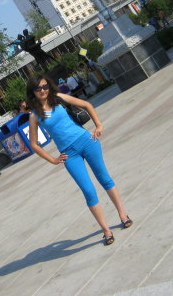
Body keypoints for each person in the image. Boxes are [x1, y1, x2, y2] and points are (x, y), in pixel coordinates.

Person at [26, 74, 132, 246]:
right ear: (33, 92)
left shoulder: (58, 97)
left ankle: (122, 214)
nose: (43, 90)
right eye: (38, 88)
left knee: (104, 178)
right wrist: (53, 160)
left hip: (87, 141)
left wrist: (98, 125)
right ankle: (106, 230)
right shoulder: (34, 115)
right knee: (88, 190)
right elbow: (33, 144)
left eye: (45, 86)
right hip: (69, 155)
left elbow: (86, 104)